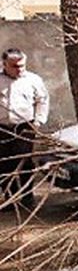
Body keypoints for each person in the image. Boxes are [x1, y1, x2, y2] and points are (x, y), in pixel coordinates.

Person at [0, 48, 49, 211]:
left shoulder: (33, 80)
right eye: (14, 66)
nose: (19, 69)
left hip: (24, 127)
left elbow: (42, 100)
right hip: (2, 128)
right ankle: (10, 198)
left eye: (21, 65)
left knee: (24, 162)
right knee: (5, 164)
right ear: (4, 64)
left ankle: (27, 198)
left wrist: (38, 122)